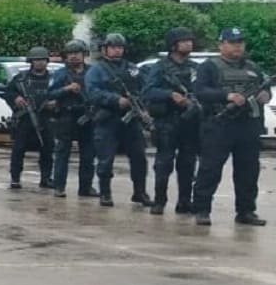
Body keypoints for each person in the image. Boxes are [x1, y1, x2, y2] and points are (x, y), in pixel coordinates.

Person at [189, 27, 268, 227]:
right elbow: (200, 91)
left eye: (240, 42)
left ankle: (246, 211)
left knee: (248, 171)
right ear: (221, 44)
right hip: (219, 123)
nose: (237, 46)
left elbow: (265, 88)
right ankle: (202, 209)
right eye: (233, 43)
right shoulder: (209, 67)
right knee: (210, 169)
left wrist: (265, 95)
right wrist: (227, 97)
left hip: (247, 125)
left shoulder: (252, 66)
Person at [83, 32, 149, 208]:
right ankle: (105, 193)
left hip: (131, 120)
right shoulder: (96, 70)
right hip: (107, 119)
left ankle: (140, 192)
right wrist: (115, 100)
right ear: (105, 49)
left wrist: (142, 108)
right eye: (113, 47)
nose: (117, 50)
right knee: (105, 159)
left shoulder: (132, 69)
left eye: (119, 47)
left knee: (139, 157)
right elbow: (92, 92)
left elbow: (144, 88)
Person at [142, 27, 203, 215]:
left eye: (190, 40)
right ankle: (160, 201)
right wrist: (170, 94)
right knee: (164, 164)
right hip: (167, 121)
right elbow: (147, 92)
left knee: (187, 164)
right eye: (184, 40)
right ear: (173, 44)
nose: (188, 43)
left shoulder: (195, 67)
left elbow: (203, 90)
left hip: (190, 122)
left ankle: (184, 201)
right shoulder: (160, 67)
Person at [46, 39, 96, 198]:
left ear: (84, 55)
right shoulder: (60, 74)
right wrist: (66, 89)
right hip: (66, 116)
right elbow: (50, 94)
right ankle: (59, 187)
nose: (74, 56)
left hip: (87, 115)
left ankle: (86, 187)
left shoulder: (92, 72)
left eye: (77, 53)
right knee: (62, 153)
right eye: (70, 54)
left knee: (88, 154)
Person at [3, 47, 55, 191]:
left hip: (46, 119)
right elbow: (8, 92)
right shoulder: (21, 78)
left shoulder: (53, 79)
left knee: (47, 149)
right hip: (24, 120)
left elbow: (60, 95)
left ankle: (45, 178)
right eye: (36, 60)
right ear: (31, 62)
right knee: (18, 150)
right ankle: (15, 179)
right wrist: (16, 98)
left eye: (43, 60)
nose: (40, 63)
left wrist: (55, 103)